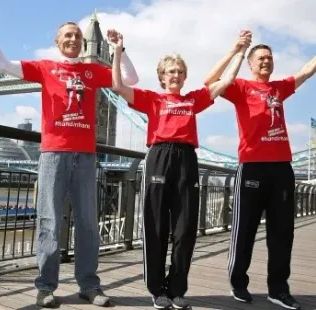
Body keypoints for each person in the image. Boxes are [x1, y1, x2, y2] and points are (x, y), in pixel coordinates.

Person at [0, 0, 139, 308]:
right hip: (53, 154)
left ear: (84, 42)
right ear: (57, 41)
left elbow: (129, 81)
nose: (73, 40)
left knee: (88, 223)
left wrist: (120, 50)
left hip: (86, 156)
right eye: (67, 35)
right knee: (49, 221)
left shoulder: (94, 71)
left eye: (78, 36)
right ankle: (45, 287)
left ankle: (89, 285)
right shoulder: (45, 68)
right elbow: (2, 66)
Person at [111, 30, 251, 309]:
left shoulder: (193, 99)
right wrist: (116, 51)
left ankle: (177, 289)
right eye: (170, 71)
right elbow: (117, 86)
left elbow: (226, 81)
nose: (175, 75)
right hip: (159, 157)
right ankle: (157, 289)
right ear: (162, 76)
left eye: (180, 72)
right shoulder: (151, 99)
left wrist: (239, 51)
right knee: (156, 225)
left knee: (186, 228)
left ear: (185, 77)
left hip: (187, 159)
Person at [204, 30, 316, 310]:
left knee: (282, 233)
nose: (266, 62)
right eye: (261, 58)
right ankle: (238, 284)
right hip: (252, 167)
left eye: (270, 58)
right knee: (245, 230)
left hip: (282, 170)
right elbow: (210, 82)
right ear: (251, 64)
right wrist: (236, 51)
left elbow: (306, 72)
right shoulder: (240, 87)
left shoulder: (278, 89)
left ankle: (278, 289)